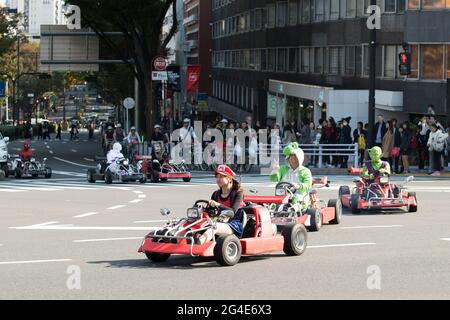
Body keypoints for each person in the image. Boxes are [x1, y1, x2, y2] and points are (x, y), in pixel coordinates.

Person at [195, 165, 245, 244]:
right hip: (218, 220)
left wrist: (218, 205)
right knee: (196, 224)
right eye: (217, 177)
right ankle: (176, 240)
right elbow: (211, 212)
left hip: (233, 224)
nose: (218, 179)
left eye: (221, 177)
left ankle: (198, 243)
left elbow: (232, 212)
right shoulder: (216, 194)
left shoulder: (238, 193)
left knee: (215, 227)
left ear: (229, 178)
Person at [270, 142, 313, 213]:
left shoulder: (305, 171)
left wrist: (299, 186)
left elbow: (308, 184)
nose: (292, 159)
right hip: (283, 194)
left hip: (299, 194)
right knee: (274, 202)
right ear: (288, 159)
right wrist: (275, 170)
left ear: (299, 158)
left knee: (297, 199)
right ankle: (273, 210)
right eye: (291, 157)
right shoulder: (283, 169)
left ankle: (293, 210)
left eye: (295, 157)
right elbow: (273, 179)